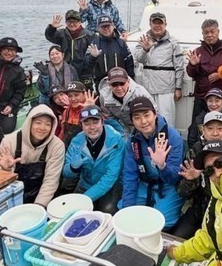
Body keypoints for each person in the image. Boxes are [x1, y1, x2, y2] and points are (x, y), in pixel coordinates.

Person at [122, 97, 184, 229]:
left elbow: (174, 177)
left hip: (168, 185)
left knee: (163, 223)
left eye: (147, 115)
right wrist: (127, 209)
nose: (143, 121)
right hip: (145, 183)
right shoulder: (133, 142)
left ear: (155, 114)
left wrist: (162, 166)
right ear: (132, 121)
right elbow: (129, 175)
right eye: (137, 117)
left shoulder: (173, 137)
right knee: (126, 212)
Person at [0, 105, 65, 206]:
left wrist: (39, 206)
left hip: (41, 195)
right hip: (13, 195)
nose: (42, 128)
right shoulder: (9, 141)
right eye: (38, 123)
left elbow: (51, 180)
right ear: (29, 122)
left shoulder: (57, 145)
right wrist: (6, 169)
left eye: (48, 124)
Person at [62, 105, 124, 213]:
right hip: (85, 184)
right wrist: (73, 168)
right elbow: (66, 174)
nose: (92, 127)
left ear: (102, 122)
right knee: (70, 210)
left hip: (111, 186)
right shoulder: (76, 142)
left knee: (107, 210)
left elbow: (111, 176)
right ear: (81, 125)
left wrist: (85, 199)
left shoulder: (116, 141)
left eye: (95, 122)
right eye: (87, 123)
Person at [133, 12, 185, 124]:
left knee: (167, 120)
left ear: (165, 24)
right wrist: (145, 50)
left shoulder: (173, 43)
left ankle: (167, 135)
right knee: (148, 118)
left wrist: (178, 88)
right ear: (150, 24)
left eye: (160, 23)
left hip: (166, 89)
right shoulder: (143, 40)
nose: (157, 26)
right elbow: (138, 58)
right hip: (147, 87)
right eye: (154, 23)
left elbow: (179, 67)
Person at [186, 19, 222, 122]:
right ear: (202, 34)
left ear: (218, 32)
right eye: (206, 32)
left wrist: (220, 75)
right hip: (202, 97)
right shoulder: (197, 52)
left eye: (212, 31)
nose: (209, 35)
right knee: (197, 125)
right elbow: (191, 74)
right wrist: (193, 65)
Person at [44, 10, 94, 85]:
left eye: (75, 21)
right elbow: (49, 36)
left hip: (84, 71)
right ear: (66, 22)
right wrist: (51, 28)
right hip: (66, 70)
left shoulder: (89, 35)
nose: (72, 24)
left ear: (80, 22)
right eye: (69, 22)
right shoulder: (62, 34)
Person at [98, 67, 155, 132]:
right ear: (109, 84)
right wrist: (120, 132)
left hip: (142, 125)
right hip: (121, 127)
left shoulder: (141, 93)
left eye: (122, 83)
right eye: (114, 85)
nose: (119, 88)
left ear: (128, 81)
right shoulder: (104, 96)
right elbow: (109, 118)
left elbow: (153, 113)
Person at [85, 15, 135, 86]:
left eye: (108, 26)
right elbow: (87, 66)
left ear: (113, 26)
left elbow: (129, 64)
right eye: (103, 27)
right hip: (102, 83)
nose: (106, 29)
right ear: (98, 28)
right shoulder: (94, 44)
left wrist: (131, 81)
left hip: (120, 82)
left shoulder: (121, 43)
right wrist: (93, 57)